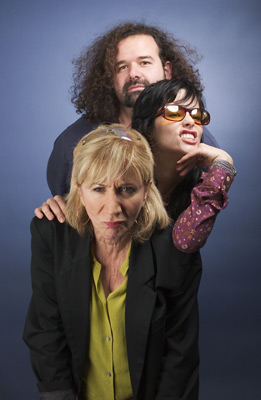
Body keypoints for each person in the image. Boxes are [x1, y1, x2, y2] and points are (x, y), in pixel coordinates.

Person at [23, 124, 202, 400]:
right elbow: (45, 331)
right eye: (98, 189)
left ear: (146, 191)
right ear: (78, 189)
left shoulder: (174, 247)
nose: (112, 208)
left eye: (127, 189)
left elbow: (180, 354)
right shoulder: (50, 234)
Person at [46, 21, 219, 197]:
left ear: (167, 71)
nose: (133, 74)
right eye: (122, 67)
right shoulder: (72, 142)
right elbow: (68, 208)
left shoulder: (198, 141)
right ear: (109, 78)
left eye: (144, 62)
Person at [132, 79, 236, 252]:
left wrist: (224, 163)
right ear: (149, 128)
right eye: (174, 112)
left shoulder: (206, 185)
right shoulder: (123, 175)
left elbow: (186, 241)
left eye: (197, 115)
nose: (190, 121)